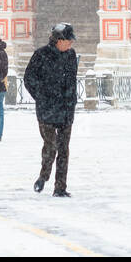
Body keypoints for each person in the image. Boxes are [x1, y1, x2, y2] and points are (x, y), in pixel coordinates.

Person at [23, 23, 79, 198]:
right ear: (58, 40)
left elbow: (72, 80)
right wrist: (42, 96)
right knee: (51, 146)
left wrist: (71, 100)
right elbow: (29, 78)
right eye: (68, 41)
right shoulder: (41, 55)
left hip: (65, 109)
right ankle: (43, 176)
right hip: (47, 109)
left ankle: (60, 187)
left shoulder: (71, 55)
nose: (70, 44)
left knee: (64, 149)